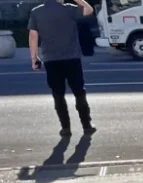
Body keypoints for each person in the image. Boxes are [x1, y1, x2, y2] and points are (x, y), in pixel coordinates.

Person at [28, 0, 96, 137]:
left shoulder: (36, 12)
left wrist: (34, 58)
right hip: (72, 57)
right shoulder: (70, 9)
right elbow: (89, 9)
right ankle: (87, 125)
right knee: (79, 91)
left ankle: (65, 128)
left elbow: (33, 36)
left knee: (58, 94)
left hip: (51, 59)